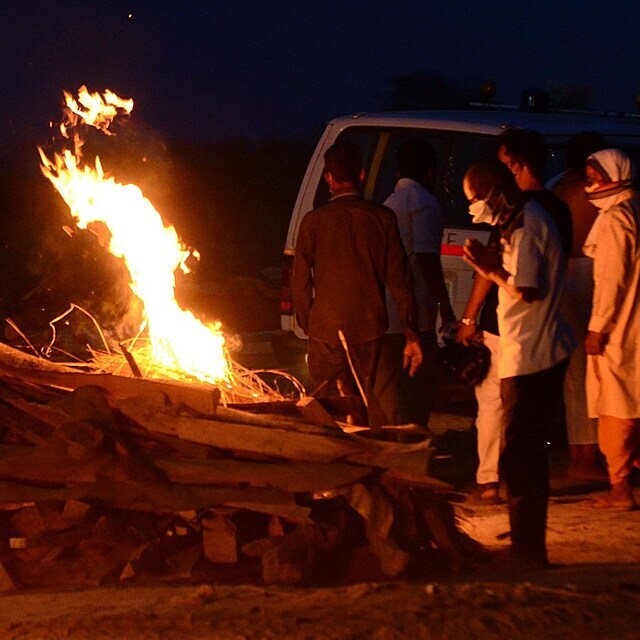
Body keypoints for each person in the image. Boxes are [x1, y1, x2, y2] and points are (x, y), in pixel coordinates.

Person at [462, 158, 574, 566]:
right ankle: (526, 541)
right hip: (524, 349)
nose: (473, 208)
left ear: (496, 190)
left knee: (522, 455)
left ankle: (529, 551)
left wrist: (492, 270)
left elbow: (527, 289)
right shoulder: (517, 222)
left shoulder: (528, 225)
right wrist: (486, 269)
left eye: (475, 198)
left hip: (534, 352)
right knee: (521, 453)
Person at [291, 140, 422, 429]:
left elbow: (300, 281)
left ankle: (331, 459)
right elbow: (401, 282)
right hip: (368, 327)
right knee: (362, 401)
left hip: (325, 328)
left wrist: (307, 321)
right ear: (362, 174)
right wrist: (412, 335)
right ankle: (367, 454)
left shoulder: (313, 221)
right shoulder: (382, 218)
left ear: (328, 177)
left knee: (326, 405)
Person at [375, 139, 455, 428]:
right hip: (417, 316)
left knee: (391, 390)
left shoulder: (388, 204)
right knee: (416, 390)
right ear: (430, 171)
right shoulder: (424, 203)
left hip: (388, 312)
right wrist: (445, 308)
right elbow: (426, 258)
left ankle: (392, 447)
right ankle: (412, 447)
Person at [582, 148, 640, 510]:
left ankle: (620, 489)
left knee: (616, 406)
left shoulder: (618, 218)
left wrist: (597, 327)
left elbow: (611, 279)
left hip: (621, 328)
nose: (590, 184)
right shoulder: (632, 210)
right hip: (633, 323)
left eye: (594, 177)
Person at [551, 133, 608, 480]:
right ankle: (590, 457)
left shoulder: (555, 190)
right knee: (593, 370)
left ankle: (581, 454)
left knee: (574, 373)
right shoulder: (592, 193)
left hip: (562, 276)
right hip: (588, 274)